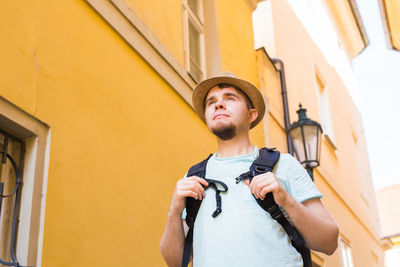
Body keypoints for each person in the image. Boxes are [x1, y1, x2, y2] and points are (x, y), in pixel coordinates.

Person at [160, 72, 339, 267]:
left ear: (251, 115)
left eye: (230, 98)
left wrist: (286, 200)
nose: (218, 104)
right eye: (211, 102)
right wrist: (174, 211)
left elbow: (329, 243)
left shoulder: (284, 164)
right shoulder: (194, 177)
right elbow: (175, 262)